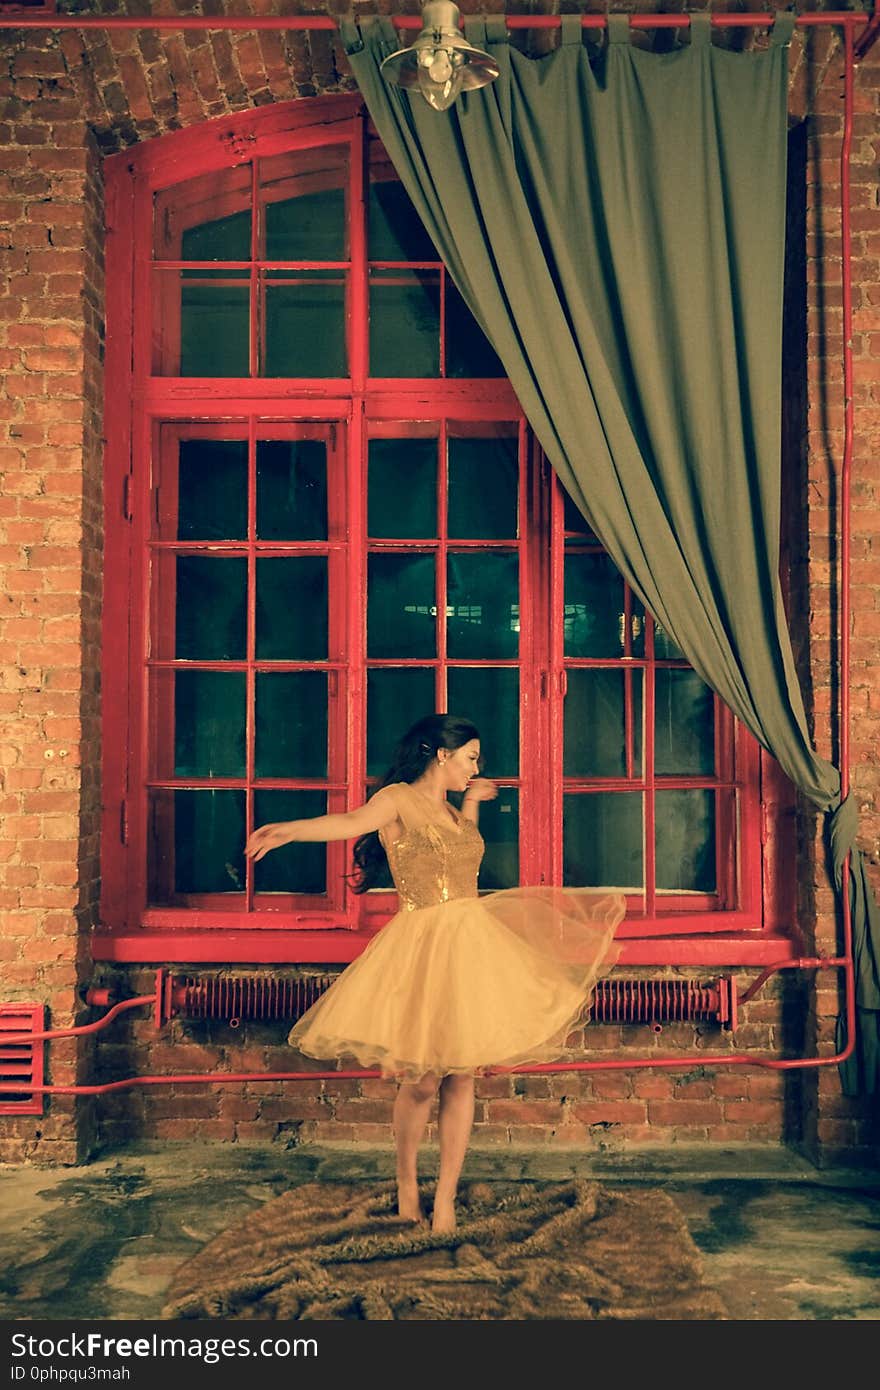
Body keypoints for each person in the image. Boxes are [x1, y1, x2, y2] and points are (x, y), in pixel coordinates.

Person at [244, 714, 625, 1235]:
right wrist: (289, 830)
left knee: (462, 1072)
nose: (476, 767)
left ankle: (444, 1198)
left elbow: (462, 855)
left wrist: (470, 803)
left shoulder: (450, 807)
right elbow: (350, 823)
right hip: (423, 945)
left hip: (471, 945)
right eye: (470, 757)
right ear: (440, 755)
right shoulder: (398, 799)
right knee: (422, 1081)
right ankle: (407, 1187)